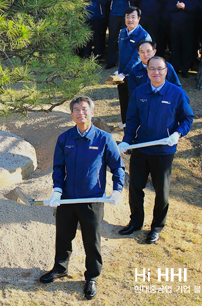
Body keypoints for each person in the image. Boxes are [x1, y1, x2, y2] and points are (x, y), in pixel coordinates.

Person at [39, 96, 124, 301]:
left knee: (91, 240)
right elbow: (58, 167)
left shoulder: (104, 139)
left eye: (84, 109)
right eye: (76, 110)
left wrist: (118, 190)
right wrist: (57, 189)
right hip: (67, 198)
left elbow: (117, 166)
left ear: (92, 113)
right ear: (72, 114)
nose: (80, 113)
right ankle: (60, 268)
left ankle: (92, 276)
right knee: (63, 236)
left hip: (92, 200)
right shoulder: (65, 138)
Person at [119, 56, 194, 244]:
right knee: (135, 187)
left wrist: (177, 134)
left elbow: (187, 118)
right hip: (141, 148)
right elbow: (132, 120)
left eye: (160, 69)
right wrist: (126, 141)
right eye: (152, 69)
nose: (156, 72)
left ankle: (156, 228)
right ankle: (135, 222)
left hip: (163, 151)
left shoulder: (176, 94)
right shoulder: (139, 92)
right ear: (147, 71)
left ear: (166, 71)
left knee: (162, 192)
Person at [116, 6, 150, 123]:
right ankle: (125, 130)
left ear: (139, 19)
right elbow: (122, 54)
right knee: (124, 103)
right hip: (122, 76)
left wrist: (125, 72)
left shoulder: (143, 36)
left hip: (136, 76)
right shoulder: (123, 32)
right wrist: (119, 71)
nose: (130, 20)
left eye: (133, 17)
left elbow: (137, 57)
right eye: (127, 17)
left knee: (135, 105)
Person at [103, 0, 139, 69]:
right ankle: (111, 61)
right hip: (114, 15)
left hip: (127, 17)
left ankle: (127, 62)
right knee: (112, 39)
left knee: (128, 39)